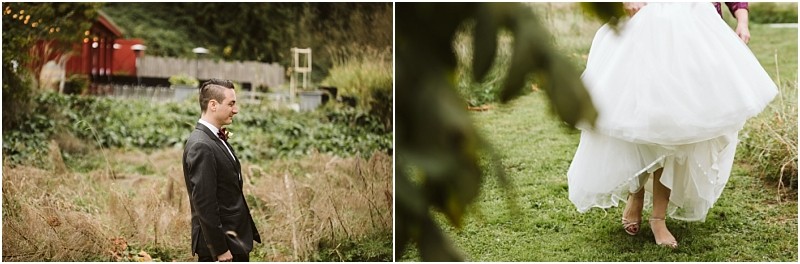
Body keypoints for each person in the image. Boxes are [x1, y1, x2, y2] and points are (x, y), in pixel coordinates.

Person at [567, 2, 776, 248]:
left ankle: (658, 218)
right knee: (641, 120)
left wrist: (742, 20)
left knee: (679, 128)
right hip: (645, 25)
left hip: (693, 31)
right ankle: (636, 193)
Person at [183, 78, 261, 261]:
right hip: (223, 247)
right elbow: (205, 203)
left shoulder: (213, 138)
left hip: (234, 240)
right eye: (231, 104)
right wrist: (219, 249)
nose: (236, 110)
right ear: (213, 105)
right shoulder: (201, 145)